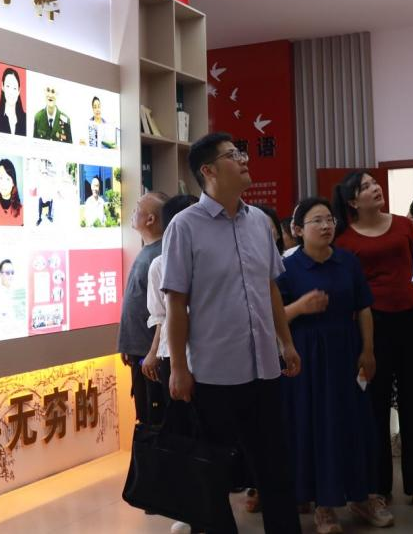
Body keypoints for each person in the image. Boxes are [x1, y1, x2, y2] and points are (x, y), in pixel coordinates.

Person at [162, 132, 302, 534]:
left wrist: (286, 343)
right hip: (213, 374)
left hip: (264, 369)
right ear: (208, 170)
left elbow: (269, 287)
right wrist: (178, 368)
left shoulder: (258, 222)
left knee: (275, 469)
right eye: (232, 155)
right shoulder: (184, 227)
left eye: (241, 153)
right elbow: (176, 303)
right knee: (214, 474)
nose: (243, 160)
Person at [279, 197, 392, 533]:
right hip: (306, 357)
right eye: (317, 221)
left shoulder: (347, 262)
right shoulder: (286, 268)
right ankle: (323, 505)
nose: (326, 226)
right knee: (316, 426)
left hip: (346, 352)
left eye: (329, 219)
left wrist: (368, 350)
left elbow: (364, 308)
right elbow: (272, 317)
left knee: (355, 423)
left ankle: (361, 497)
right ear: (298, 230)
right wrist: (300, 307)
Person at [332, 172, 413, 515]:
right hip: (371, 326)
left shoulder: (405, 226)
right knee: (374, 408)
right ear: (352, 201)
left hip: (411, 319)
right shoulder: (344, 240)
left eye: (373, 183)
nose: (375, 188)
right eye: (364, 187)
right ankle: (377, 486)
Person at [139, 193, 197, 534]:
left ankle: (212, 506)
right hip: (176, 360)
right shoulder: (160, 265)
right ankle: (189, 509)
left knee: (212, 436)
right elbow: (161, 317)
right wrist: (161, 357)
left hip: (214, 359)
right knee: (182, 435)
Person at [118, 191, 169, 429]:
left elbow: (164, 314)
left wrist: (154, 352)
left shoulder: (159, 256)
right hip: (140, 352)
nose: (133, 211)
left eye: (138, 207)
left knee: (154, 422)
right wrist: (127, 345)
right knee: (145, 416)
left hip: (150, 358)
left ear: (150, 219)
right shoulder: (148, 251)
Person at [0, 159, 23, 226]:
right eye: (1, 178)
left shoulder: (21, 211)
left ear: (13, 183)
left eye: (8, 179)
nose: (3, 184)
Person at [0, 67, 27, 136]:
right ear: (2, 86)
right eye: (8, 86)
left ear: (19, 90)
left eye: (15, 88)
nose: (11, 92)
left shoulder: (26, 119)